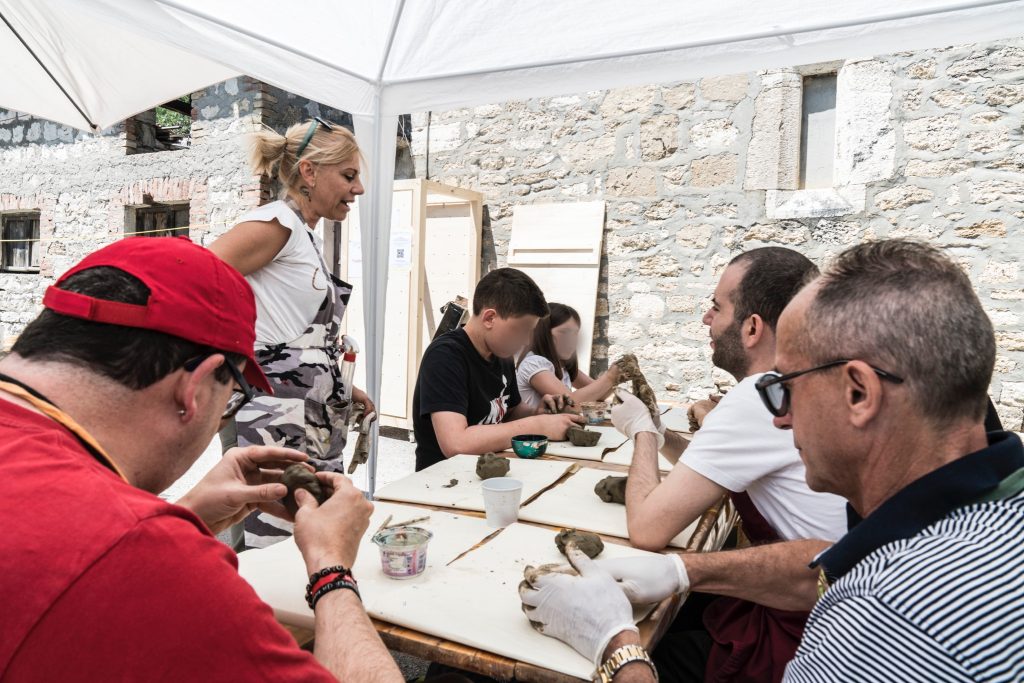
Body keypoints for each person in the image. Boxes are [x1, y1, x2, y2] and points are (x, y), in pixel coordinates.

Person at [522, 239, 1024, 682]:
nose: (780, 420)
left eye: (786, 389)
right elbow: (826, 561)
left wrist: (617, 647)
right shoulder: (990, 507)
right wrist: (685, 573)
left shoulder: (882, 620)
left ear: (859, 393)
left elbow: (649, 528)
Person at [0, 237, 403, 682]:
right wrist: (331, 569)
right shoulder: (147, 557)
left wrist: (184, 517)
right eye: (233, 396)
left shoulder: (115, 543)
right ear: (194, 388)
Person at [610, 247, 846, 682]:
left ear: (752, 327)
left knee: (647, 636)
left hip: (808, 634)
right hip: (814, 597)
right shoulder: (796, 382)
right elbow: (717, 468)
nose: (707, 320)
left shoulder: (761, 392)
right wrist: (664, 436)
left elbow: (647, 530)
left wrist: (642, 434)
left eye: (716, 308)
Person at [209, 117, 374, 549]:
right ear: (309, 172)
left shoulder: (304, 235)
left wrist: (336, 380)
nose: (358, 190)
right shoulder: (277, 223)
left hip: (305, 412)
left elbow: (292, 331)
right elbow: (199, 281)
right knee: (267, 538)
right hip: (272, 414)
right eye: (349, 176)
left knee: (305, 531)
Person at [412, 268, 582, 471]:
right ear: (489, 318)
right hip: (443, 481)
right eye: (521, 329)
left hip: (489, 472)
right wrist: (539, 426)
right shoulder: (445, 356)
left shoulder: (502, 355)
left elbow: (509, 411)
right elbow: (456, 443)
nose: (526, 340)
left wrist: (537, 412)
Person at [516, 302, 621, 411]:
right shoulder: (534, 363)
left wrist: (617, 377)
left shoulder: (563, 365)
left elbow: (601, 394)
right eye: (564, 333)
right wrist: (610, 377)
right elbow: (571, 404)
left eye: (575, 334)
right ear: (544, 333)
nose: (571, 340)